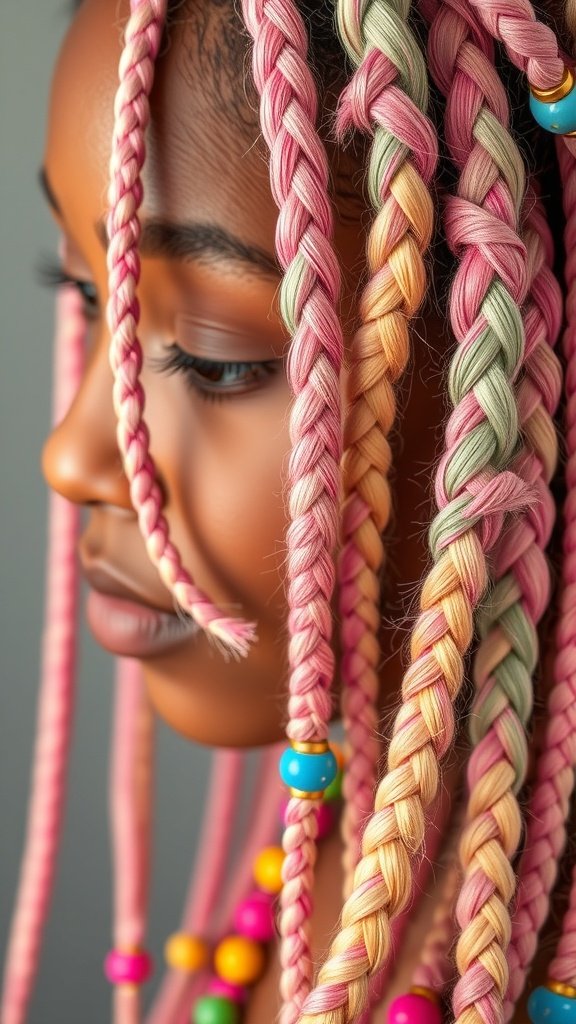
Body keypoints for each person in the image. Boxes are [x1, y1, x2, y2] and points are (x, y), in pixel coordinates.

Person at [3, 0, 576, 1022]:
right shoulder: (345, 873)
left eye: (213, 358)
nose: (73, 454)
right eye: (89, 296)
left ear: (526, 362)